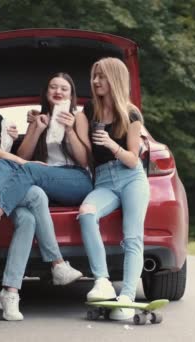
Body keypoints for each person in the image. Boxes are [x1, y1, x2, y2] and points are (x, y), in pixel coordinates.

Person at [0, 61, 84, 321]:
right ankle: (56, 264)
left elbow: (4, 157)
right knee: (35, 194)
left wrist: (16, 140)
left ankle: (10, 291)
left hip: (0, 176)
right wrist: (21, 162)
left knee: (31, 213)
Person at [77, 57, 150, 321]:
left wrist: (110, 143)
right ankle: (102, 281)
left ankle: (127, 297)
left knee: (132, 237)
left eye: (102, 76)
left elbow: (133, 159)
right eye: (94, 76)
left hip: (131, 178)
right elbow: (81, 149)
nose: (96, 81)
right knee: (86, 213)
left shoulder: (131, 114)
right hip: (104, 181)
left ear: (115, 80)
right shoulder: (89, 111)